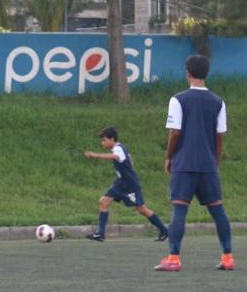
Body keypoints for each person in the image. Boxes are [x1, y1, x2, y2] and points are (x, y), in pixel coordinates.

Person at [155, 55, 233, 272]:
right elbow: (219, 137)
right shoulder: (219, 102)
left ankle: (173, 258)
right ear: (206, 73)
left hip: (184, 164)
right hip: (208, 165)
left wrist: (169, 156)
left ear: (188, 72)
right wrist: (214, 162)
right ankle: (227, 257)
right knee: (218, 210)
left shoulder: (178, 99)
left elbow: (175, 131)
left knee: (179, 209)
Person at [83, 126, 169, 242]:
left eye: (104, 140)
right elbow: (129, 159)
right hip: (121, 183)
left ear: (112, 138)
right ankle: (100, 234)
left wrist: (96, 155)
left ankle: (164, 230)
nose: (102, 142)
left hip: (129, 184)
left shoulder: (118, 149)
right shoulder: (121, 147)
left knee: (142, 209)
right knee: (103, 201)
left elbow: (116, 156)